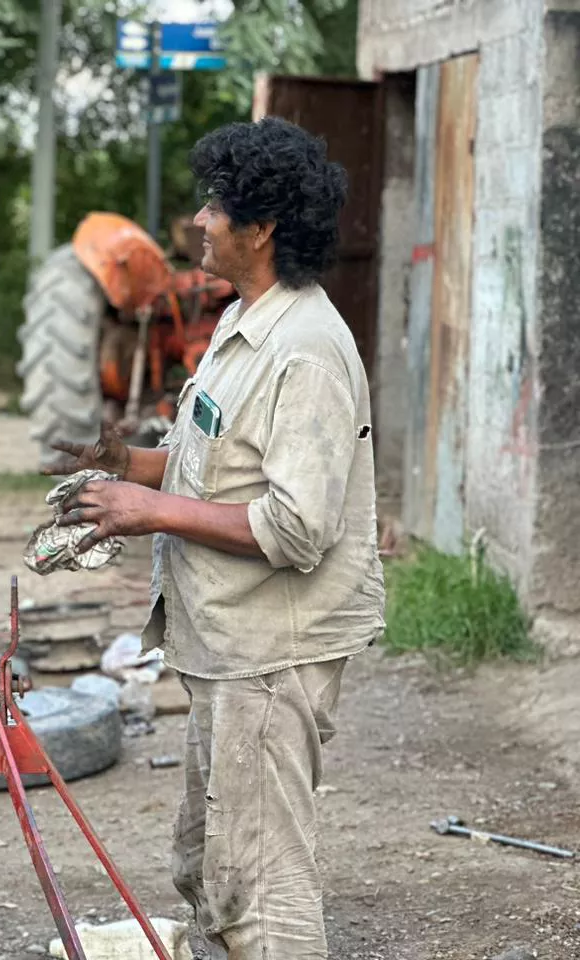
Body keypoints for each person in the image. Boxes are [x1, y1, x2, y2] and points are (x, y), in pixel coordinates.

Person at [47, 117, 385, 959]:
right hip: (230, 648)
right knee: (215, 869)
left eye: (214, 206)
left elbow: (297, 527)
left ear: (260, 229)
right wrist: (131, 463)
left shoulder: (303, 351)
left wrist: (143, 510)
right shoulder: (244, 327)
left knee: (261, 892)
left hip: (271, 657)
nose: (199, 219)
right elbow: (217, 466)